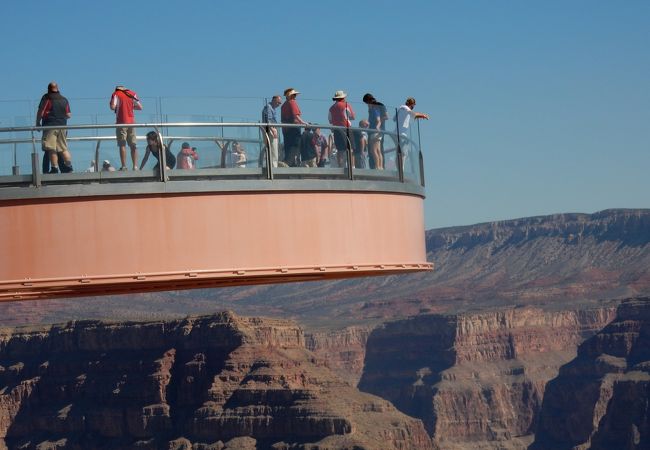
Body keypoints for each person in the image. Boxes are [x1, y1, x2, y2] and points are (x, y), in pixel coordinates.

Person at [36, 82, 73, 174]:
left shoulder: (46, 97)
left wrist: (38, 122)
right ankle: (69, 167)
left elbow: (41, 111)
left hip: (50, 126)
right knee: (63, 148)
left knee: (51, 148)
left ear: (48, 89)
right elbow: (69, 115)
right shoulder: (64, 99)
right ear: (57, 88)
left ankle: (54, 168)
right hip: (62, 126)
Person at [110, 85, 142, 171]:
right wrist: (131, 107)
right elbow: (140, 107)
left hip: (121, 122)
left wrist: (118, 108)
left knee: (122, 144)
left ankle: (124, 166)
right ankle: (135, 166)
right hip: (132, 122)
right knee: (133, 144)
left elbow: (112, 106)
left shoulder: (116, 94)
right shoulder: (132, 93)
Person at [395, 97, 429, 170]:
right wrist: (423, 115)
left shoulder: (400, 109)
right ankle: (401, 170)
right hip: (401, 134)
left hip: (397, 133)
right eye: (414, 105)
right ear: (412, 104)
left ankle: (399, 169)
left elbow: (394, 119)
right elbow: (414, 114)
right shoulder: (405, 108)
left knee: (400, 152)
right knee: (403, 153)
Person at [328, 90, 356, 168]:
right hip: (346, 129)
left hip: (336, 130)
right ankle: (352, 167)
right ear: (343, 98)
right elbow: (353, 116)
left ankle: (340, 167)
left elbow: (330, 120)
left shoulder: (331, 108)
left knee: (340, 150)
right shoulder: (346, 105)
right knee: (350, 149)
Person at [280, 88, 307, 167]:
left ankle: (288, 162)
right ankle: (288, 162)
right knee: (295, 145)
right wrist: (303, 122)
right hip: (294, 127)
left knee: (288, 145)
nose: (295, 96)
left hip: (286, 129)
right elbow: (296, 115)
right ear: (290, 96)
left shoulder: (284, 105)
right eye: (294, 95)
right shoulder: (292, 102)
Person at [363, 93, 388, 170]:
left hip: (375, 130)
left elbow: (385, 117)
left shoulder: (375, 108)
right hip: (378, 130)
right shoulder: (375, 107)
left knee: (373, 151)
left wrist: (377, 125)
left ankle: (376, 167)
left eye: (366, 103)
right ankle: (380, 167)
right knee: (379, 150)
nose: (367, 105)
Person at [261, 95, 282, 168]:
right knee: (273, 151)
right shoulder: (269, 107)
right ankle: (273, 168)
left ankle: (272, 167)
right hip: (270, 130)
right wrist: (273, 129)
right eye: (278, 102)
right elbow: (268, 120)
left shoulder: (271, 108)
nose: (279, 104)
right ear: (274, 100)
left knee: (272, 150)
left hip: (270, 129)